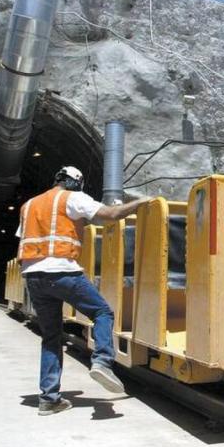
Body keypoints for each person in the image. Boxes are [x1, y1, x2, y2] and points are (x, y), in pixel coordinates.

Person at [17, 165, 149, 415]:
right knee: (102, 313)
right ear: (76, 182)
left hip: (33, 277)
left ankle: (49, 399)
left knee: (51, 337)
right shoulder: (72, 197)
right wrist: (140, 203)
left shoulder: (29, 205)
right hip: (62, 271)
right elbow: (110, 214)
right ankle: (102, 362)